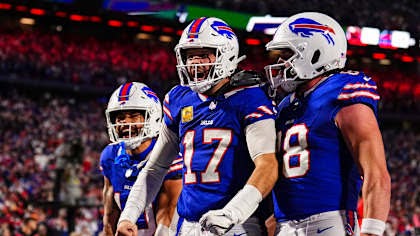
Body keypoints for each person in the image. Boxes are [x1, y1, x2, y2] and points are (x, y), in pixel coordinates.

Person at [116, 17, 278, 236]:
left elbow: (267, 166)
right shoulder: (178, 98)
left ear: (227, 54)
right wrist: (128, 216)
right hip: (188, 224)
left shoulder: (250, 98)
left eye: (203, 55)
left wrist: (232, 213)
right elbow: (155, 168)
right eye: (190, 56)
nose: (194, 63)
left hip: (237, 223)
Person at [263, 12, 391, 236]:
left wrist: (372, 230)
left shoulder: (344, 90)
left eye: (287, 55)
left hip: (330, 221)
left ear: (314, 53)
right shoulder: (285, 106)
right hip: (285, 224)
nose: (280, 64)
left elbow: (375, 172)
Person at [100, 82, 183, 236]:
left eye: (133, 116)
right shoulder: (110, 156)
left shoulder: (168, 155)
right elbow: (110, 216)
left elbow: (167, 219)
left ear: (153, 116)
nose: (125, 122)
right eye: (120, 117)